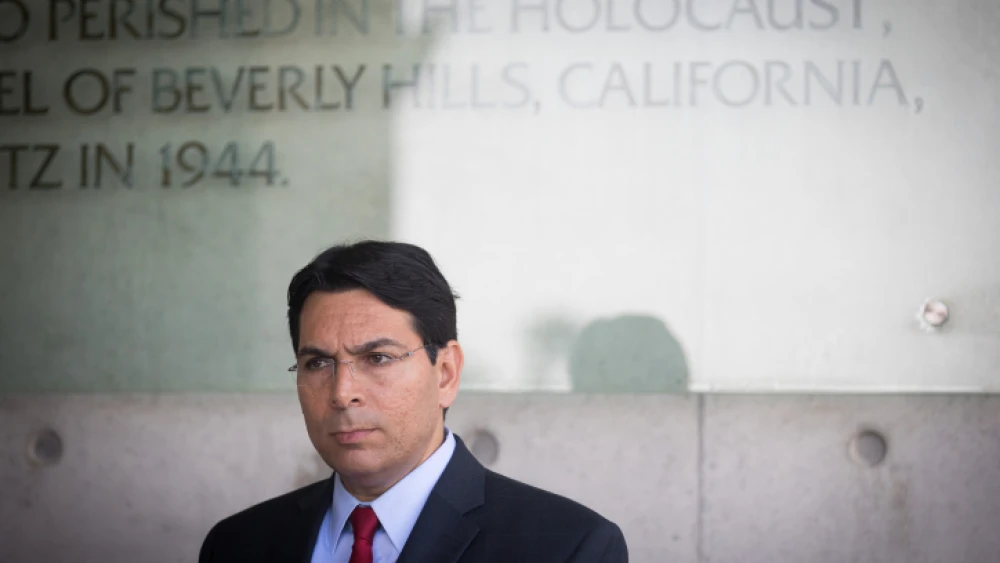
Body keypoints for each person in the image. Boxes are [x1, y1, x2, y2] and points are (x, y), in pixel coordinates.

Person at [199, 240, 628, 563]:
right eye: (318, 363)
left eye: (378, 358)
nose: (342, 391)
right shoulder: (237, 544)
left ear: (445, 374)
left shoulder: (567, 547)